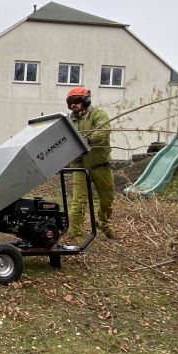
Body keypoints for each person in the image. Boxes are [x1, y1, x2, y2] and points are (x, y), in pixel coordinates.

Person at [65, 86, 116, 240]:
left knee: (107, 200)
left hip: (100, 165)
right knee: (79, 201)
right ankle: (75, 235)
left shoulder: (98, 114)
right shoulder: (69, 121)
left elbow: (103, 132)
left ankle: (103, 223)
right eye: (70, 102)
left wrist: (86, 140)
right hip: (79, 166)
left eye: (76, 100)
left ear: (86, 100)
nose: (73, 104)